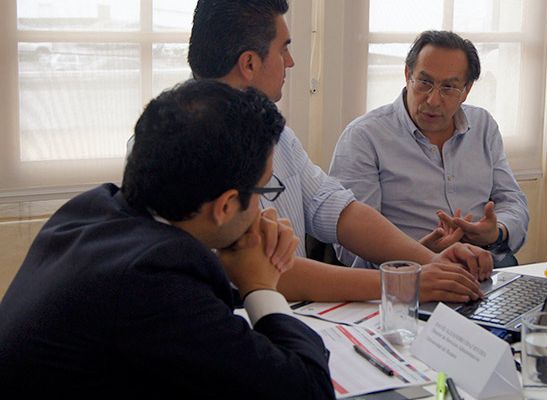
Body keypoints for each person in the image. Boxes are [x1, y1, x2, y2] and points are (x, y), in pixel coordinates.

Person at [0, 80, 333, 397]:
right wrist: (261, 286)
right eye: (263, 190)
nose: (263, 208)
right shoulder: (151, 281)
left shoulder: (93, 209)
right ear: (226, 205)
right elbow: (308, 389)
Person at [187, 0, 492, 302]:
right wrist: (402, 281)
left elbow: (334, 206)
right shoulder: (187, 144)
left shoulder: (275, 133)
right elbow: (255, 270)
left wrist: (429, 261)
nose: (290, 61)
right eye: (283, 48)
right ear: (250, 63)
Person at [328, 30, 529, 268]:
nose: (433, 100)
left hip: (485, 266)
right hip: (409, 279)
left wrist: (496, 232)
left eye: (448, 88)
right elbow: (350, 246)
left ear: (466, 90)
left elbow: (513, 201)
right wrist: (418, 255)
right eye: (424, 83)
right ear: (407, 75)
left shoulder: (483, 126)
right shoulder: (364, 137)